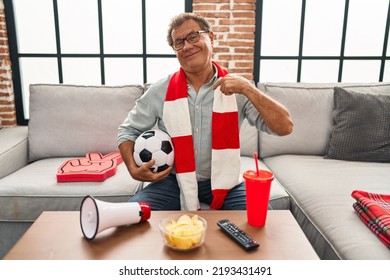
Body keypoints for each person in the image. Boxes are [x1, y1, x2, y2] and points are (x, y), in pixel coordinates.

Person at [117, 12, 293, 211]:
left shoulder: (238, 89)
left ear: (210, 37)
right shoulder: (160, 90)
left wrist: (248, 88)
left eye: (193, 36)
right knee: (133, 215)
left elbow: (284, 127)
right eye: (179, 42)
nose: (187, 46)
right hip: (173, 181)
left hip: (226, 183)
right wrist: (133, 169)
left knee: (260, 218)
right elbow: (127, 131)